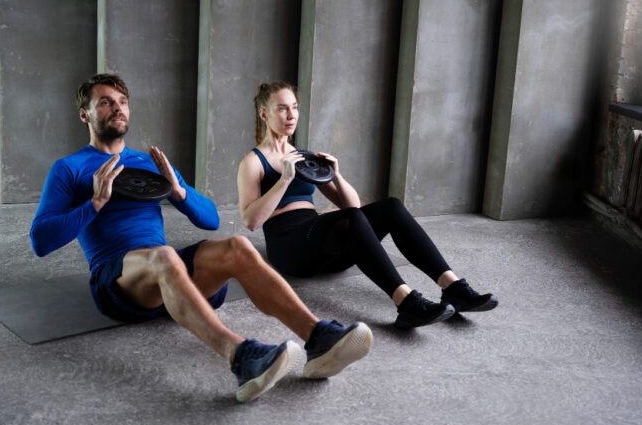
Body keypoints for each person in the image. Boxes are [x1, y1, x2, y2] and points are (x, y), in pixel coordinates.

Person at [30, 74, 372, 402]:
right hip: (117, 280)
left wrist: (178, 191)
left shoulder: (147, 162)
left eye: (122, 101)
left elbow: (209, 219)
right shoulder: (69, 168)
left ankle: (318, 337)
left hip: (167, 271)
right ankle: (241, 358)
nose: (117, 108)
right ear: (84, 114)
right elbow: (41, 241)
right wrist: (95, 203)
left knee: (237, 246)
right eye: (105, 103)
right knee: (164, 255)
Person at [237, 81, 498, 329]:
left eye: (294, 107)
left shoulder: (303, 156)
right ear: (264, 114)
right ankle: (406, 302)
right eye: (282, 108)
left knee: (392, 207)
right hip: (289, 247)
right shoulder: (253, 161)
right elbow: (251, 221)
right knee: (349, 219)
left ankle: (452, 287)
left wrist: (336, 175)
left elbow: (353, 209)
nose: (291, 114)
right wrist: (285, 179)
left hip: (320, 244)